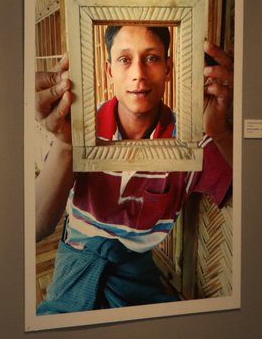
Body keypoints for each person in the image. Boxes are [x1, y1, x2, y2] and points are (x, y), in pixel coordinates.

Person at [33, 24, 234, 313]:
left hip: (136, 269)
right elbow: (38, 225)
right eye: (124, 59)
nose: (138, 73)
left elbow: (255, 193)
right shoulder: (80, 128)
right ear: (109, 70)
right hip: (78, 255)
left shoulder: (193, 139)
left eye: (151, 58)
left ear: (168, 67)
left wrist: (223, 133)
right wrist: (66, 146)